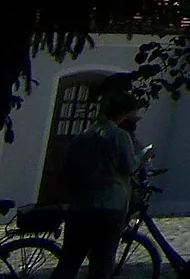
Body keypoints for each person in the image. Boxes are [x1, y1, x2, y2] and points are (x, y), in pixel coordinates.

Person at [51, 89, 144, 279]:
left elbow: (67, 168)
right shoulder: (119, 136)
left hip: (80, 205)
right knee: (101, 262)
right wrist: (143, 157)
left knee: (69, 261)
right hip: (109, 206)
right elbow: (129, 166)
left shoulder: (83, 135)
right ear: (125, 112)